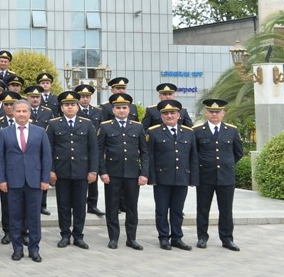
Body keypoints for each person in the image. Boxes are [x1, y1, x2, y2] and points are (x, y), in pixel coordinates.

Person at [0, 101, 52, 262]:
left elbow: (46, 157)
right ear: (12, 113)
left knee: (34, 217)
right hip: (13, 182)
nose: (21, 114)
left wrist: (45, 179)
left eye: (24, 111)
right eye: (18, 111)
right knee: (15, 216)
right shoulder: (4, 132)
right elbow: (0, 158)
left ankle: (34, 249)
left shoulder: (40, 132)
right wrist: (2, 179)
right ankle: (17, 248)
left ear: (30, 113)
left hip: (34, 181)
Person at [46, 90, 100, 250]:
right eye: (66, 105)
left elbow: (93, 149)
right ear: (62, 108)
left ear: (77, 107)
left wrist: (93, 171)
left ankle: (78, 235)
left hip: (81, 171)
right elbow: (49, 148)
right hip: (61, 171)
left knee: (79, 205)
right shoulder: (54, 124)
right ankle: (64, 234)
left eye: (72, 105)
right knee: (63, 205)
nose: (69, 107)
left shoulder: (86, 123)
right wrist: (51, 170)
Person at [97, 93, 149, 250]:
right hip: (112, 173)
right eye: (118, 108)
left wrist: (144, 173)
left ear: (129, 109)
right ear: (113, 110)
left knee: (132, 207)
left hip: (133, 173)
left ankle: (131, 239)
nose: (121, 110)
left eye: (124, 108)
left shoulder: (138, 127)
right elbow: (99, 151)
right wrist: (103, 172)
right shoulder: (105, 127)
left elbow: (145, 152)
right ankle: (113, 238)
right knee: (112, 207)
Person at [147, 100, 198, 251]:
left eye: (172, 113)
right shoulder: (153, 132)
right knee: (162, 210)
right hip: (162, 179)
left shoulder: (189, 132)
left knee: (177, 210)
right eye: (165, 113)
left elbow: (193, 157)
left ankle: (177, 237)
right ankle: (163, 237)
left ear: (178, 115)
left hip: (182, 177)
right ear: (161, 116)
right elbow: (149, 157)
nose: (169, 116)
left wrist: (193, 178)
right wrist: (152, 178)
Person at [193, 98, 244, 251]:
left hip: (225, 177)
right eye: (211, 111)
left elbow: (238, 153)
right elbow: (194, 154)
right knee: (203, 209)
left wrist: (227, 165)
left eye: (217, 112)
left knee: (226, 210)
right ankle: (202, 237)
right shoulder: (197, 131)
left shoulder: (232, 130)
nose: (214, 114)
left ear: (223, 113)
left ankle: (227, 239)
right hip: (205, 176)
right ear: (206, 113)